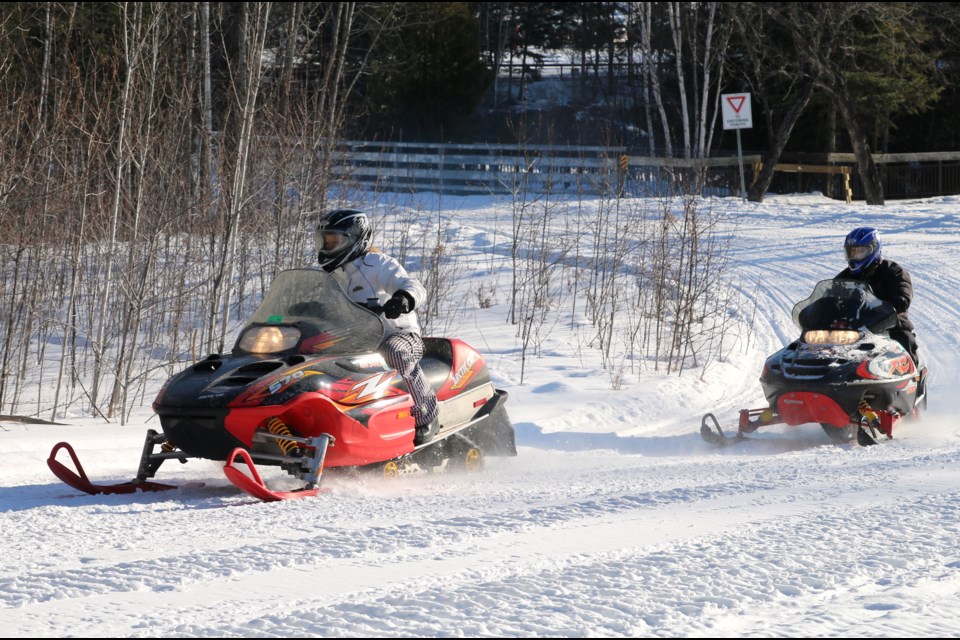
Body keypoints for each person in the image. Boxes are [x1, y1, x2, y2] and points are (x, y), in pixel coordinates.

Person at [315, 208, 440, 445]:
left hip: (399, 335)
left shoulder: (377, 263)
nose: (329, 245)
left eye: (335, 239)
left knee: (395, 352)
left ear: (355, 239)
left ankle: (426, 415)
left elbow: (413, 285)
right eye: (326, 240)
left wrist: (403, 299)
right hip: (356, 340)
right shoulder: (330, 275)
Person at [835, 227, 919, 365]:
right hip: (852, 329)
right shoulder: (843, 277)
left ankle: (913, 380)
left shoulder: (892, 271)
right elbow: (829, 297)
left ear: (873, 249)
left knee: (905, 340)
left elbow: (903, 292)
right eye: (851, 252)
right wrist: (817, 310)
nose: (854, 256)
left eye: (860, 251)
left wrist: (900, 300)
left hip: (889, 327)